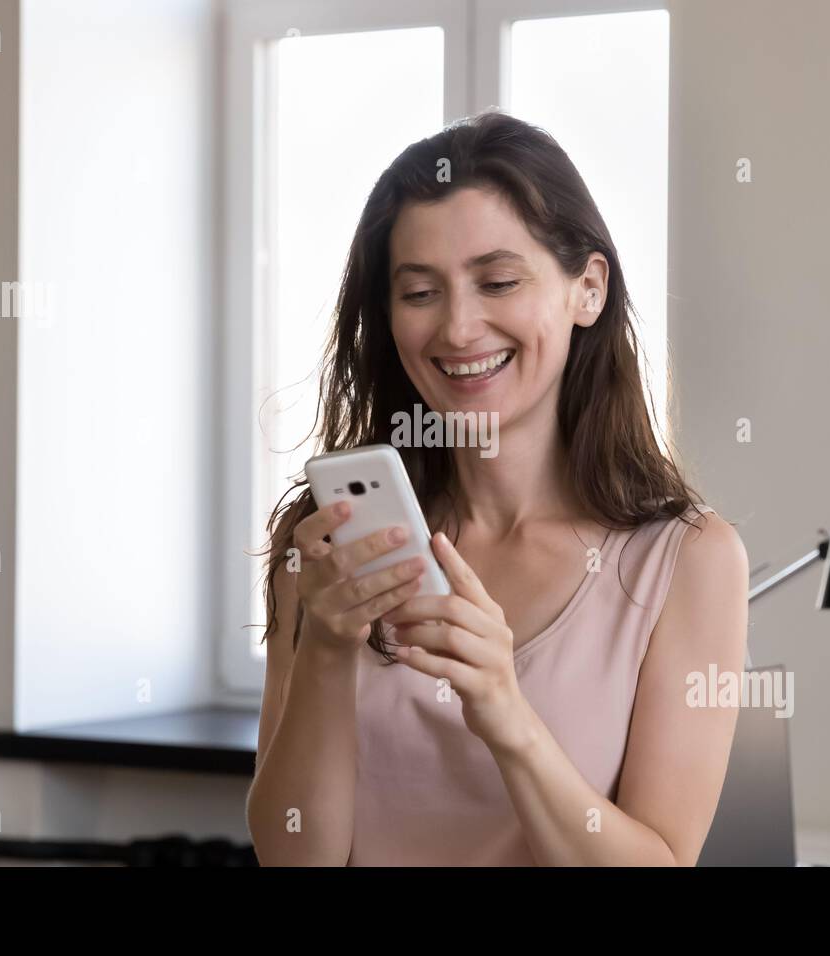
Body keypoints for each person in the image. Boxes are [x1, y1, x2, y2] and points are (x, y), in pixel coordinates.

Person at [246, 110, 748, 866]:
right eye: (420, 293)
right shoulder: (326, 541)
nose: (458, 328)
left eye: (499, 282)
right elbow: (293, 857)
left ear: (588, 289)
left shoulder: (687, 560)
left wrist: (505, 713)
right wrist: (323, 645)